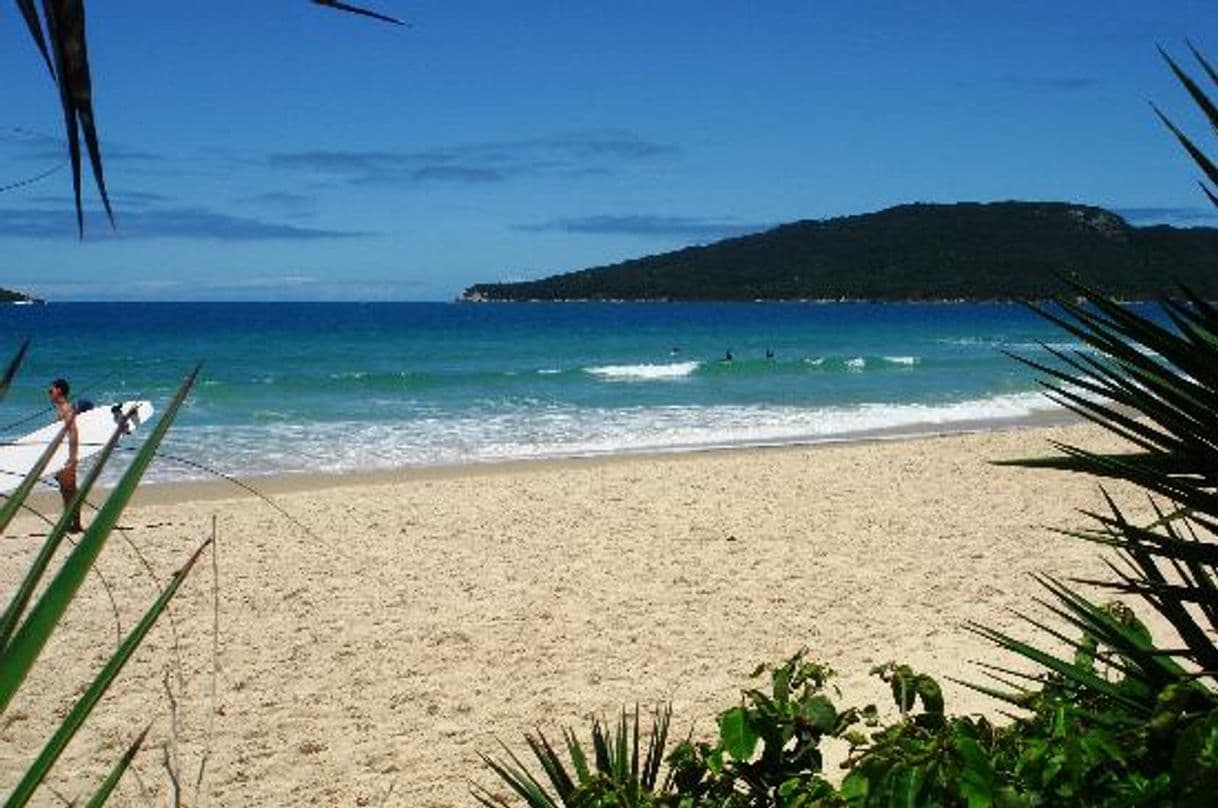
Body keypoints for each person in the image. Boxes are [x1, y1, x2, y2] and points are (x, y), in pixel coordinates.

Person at [48, 378, 83, 533]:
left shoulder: (66, 408)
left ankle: (75, 524)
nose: (49, 393)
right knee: (67, 490)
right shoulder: (61, 408)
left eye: (51, 390)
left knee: (69, 490)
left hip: (67, 456)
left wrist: (72, 457)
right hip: (62, 455)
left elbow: (73, 431)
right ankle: (73, 523)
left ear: (59, 391)